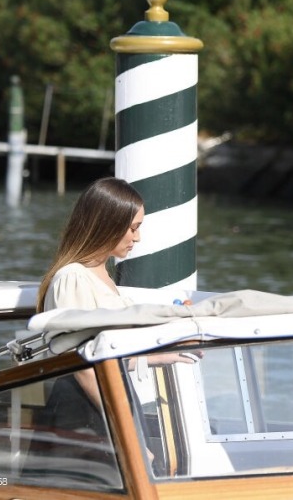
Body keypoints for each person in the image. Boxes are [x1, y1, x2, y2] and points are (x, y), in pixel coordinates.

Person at [36, 177, 199, 463]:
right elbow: (82, 364)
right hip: (85, 420)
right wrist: (129, 434)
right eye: (133, 228)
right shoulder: (73, 277)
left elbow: (104, 354)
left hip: (104, 410)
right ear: (107, 224)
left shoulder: (101, 276)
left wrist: (159, 356)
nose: (137, 238)